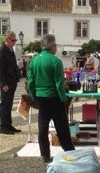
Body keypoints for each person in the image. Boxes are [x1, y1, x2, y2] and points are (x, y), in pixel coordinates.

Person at [27, 34, 75, 162]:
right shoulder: (56, 61)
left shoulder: (34, 60)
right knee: (61, 127)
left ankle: (45, 154)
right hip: (54, 97)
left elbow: (30, 81)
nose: (56, 48)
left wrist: (34, 96)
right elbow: (59, 83)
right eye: (55, 46)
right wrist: (63, 98)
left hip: (41, 97)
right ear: (52, 46)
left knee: (43, 127)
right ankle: (69, 150)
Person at [0, 30, 21, 135]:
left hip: (12, 81)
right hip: (6, 82)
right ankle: (3, 127)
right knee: (4, 104)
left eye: (15, 40)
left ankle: (8, 125)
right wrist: (3, 84)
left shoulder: (10, 50)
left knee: (9, 104)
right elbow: (0, 69)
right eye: (13, 40)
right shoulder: (1, 51)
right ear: (6, 39)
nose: (14, 42)